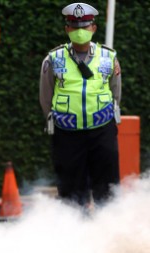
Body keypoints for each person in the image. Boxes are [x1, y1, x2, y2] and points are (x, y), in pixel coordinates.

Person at [39, 2, 121, 208]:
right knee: (70, 192)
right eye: (74, 27)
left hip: (102, 130)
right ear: (67, 29)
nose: (79, 31)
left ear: (93, 28)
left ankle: (109, 233)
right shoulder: (53, 59)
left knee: (108, 189)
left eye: (84, 26)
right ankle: (75, 235)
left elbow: (116, 92)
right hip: (67, 133)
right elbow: (45, 97)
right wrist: (55, 119)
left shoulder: (109, 57)